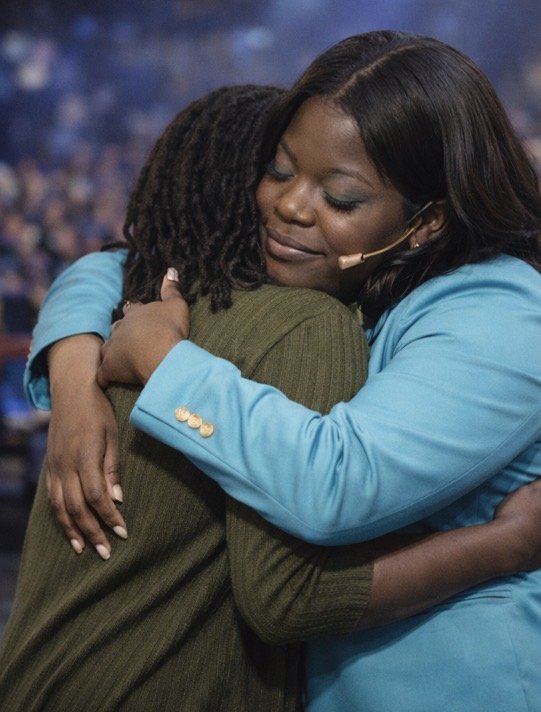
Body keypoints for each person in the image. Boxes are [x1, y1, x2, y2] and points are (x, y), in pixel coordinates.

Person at [20, 31, 541, 710]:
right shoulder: (353, 278)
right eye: (278, 169)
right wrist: (73, 376)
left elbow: (337, 484)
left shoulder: (497, 312)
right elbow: (120, 261)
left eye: (340, 198)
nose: (291, 205)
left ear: (424, 222)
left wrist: (161, 361)